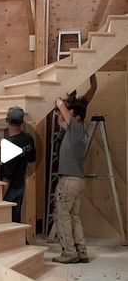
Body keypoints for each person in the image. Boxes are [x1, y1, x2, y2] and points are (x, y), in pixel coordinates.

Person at [52, 98, 88, 264]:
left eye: (71, 115)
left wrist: (61, 101)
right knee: (75, 216)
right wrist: (61, 111)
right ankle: (82, 251)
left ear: (77, 118)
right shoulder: (78, 133)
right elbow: (60, 119)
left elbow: (60, 104)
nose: (67, 117)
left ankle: (69, 252)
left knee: (62, 215)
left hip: (68, 181)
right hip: (78, 180)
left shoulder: (76, 128)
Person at [1, 106, 36, 223]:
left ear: (7, 120)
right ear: (22, 122)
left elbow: (6, 178)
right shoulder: (28, 138)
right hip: (20, 186)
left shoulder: (9, 146)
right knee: (15, 219)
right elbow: (32, 161)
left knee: (6, 221)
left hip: (9, 189)